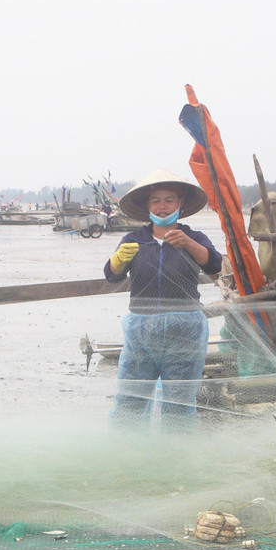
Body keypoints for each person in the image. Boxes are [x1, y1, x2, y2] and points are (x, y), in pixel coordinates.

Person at [103, 170, 223, 429]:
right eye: (156, 200)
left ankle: (176, 450)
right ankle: (128, 447)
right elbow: (112, 276)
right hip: (141, 330)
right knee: (130, 399)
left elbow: (214, 264)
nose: (162, 205)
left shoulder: (194, 237)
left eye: (169, 200)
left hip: (185, 331)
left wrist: (188, 244)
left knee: (179, 401)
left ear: (181, 204)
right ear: (147, 206)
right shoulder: (134, 240)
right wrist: (117, 261)